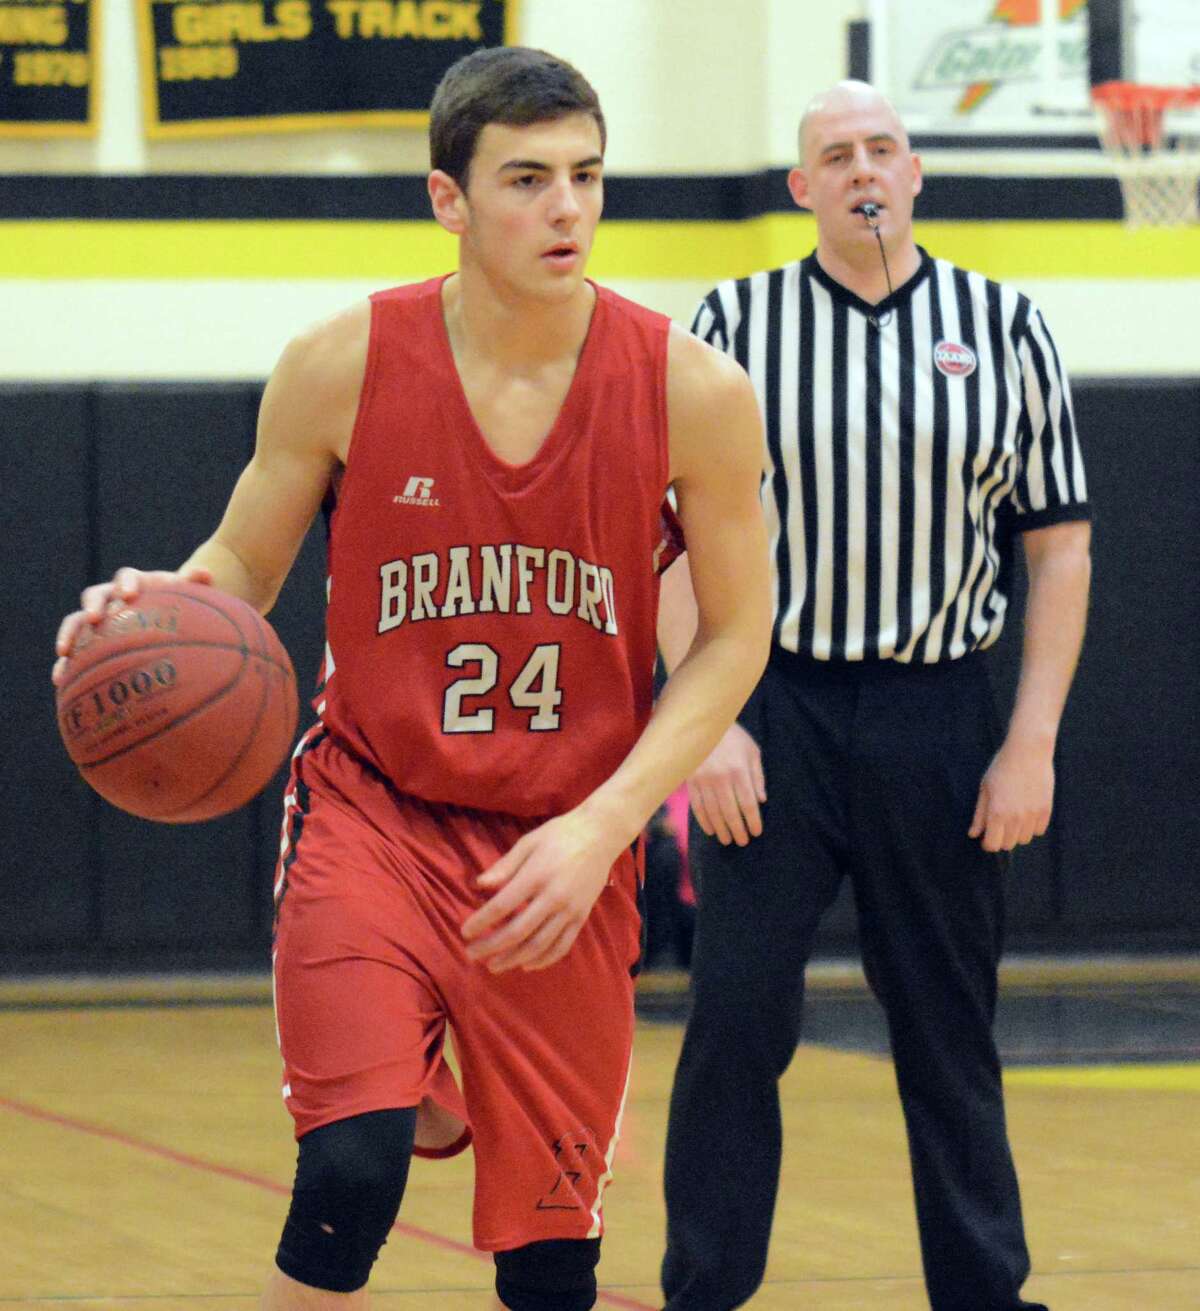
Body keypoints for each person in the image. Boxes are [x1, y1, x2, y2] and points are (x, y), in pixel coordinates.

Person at [52, 48, 771, 1311]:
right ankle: (407, 1078)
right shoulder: (343, 362)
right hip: (373, 814)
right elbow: (242, 563)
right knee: (348, 1171)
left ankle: (453, 1069)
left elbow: (734, 636)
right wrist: (154, 610)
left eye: (588, 177)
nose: (568, 210)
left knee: (551, 1269)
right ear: (449, 201)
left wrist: (605, 826)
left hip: (560, 846)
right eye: (529, 180)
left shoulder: (692, 390)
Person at [658, 80, 1092, 1311]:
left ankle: (983, 1294)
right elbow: (666, 539)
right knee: (739, 1023)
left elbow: (1060, 549)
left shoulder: (1006, 327)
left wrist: (1032, 745)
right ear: (800, 188)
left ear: (915, 174)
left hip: (938, 711)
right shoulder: (730, 324)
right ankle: (702, 1291)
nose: (863, 169)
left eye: (883, 148)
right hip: (773, 705)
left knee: (948, 1030)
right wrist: (709, 722)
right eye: (835, 153)